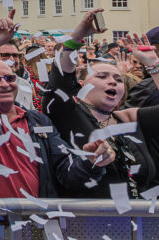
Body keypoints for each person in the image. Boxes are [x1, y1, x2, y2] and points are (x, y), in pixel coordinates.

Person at [0, 9, 116, 198]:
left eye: (9, 78)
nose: (3, 84)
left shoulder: (38, 121)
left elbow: (64, 171)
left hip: (35, 223)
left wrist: (90, 162)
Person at [43, 16, 159, 198]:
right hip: (93, 221)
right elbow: (59, 81)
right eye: (102, 76)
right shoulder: (69, 113)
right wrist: (77, 37)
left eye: (118, 79)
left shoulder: (128, 118)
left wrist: (153, 65)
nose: (112, 81)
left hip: (142, 220)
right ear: (81, 85)